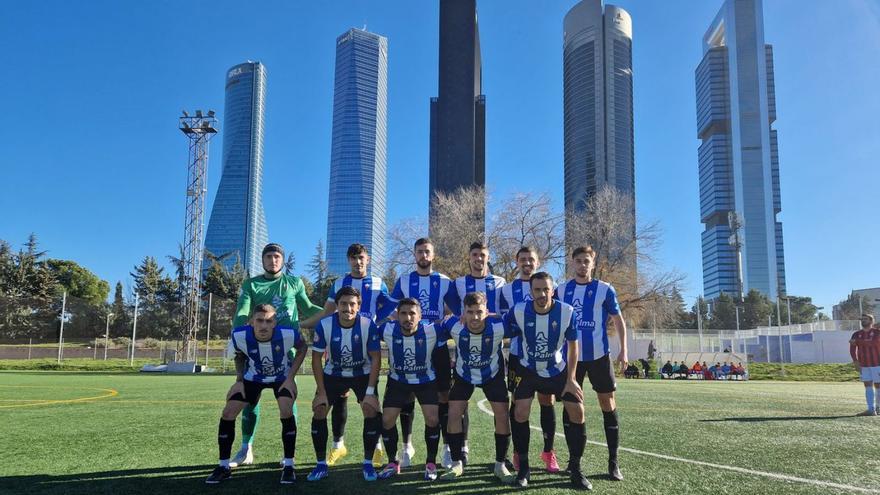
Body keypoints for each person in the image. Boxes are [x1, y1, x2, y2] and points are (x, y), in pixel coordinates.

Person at [228, 243, 324, 468]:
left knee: (287, 400)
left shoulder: (294, 283)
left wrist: (333, 314)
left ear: (282, 260)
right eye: (269, 256)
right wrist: (238, 331)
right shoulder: (251, 284)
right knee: (250, 401)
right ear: (263, 260)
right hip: (256, 351)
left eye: (277, 257)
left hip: (286, 352)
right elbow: (243, 309)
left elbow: (308, 307)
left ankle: (288, 453)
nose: (273, 260)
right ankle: (246, 448)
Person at [299, 243, 393, 468]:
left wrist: (376, 324)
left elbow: (391, 308)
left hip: (366, 349)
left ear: (367, 259)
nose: (357, 262)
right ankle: (337, 445)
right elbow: (326, 314)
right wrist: (300, 325)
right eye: (353, 258)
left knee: (371, 404)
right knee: (339, 398)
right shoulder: (339, 284)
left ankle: (377, 448)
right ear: (348, 260)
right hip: (339, 347)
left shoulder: (380, 283)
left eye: (361, 257)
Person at [506, 272, 591, 490]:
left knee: (577, 410)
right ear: (531, 291)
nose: (542, 294)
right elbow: (498, 326)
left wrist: (571, 379)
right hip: (528, 369)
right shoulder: (519, 310)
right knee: (520, 411)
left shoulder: (566, 311)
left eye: (546, 289)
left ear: (552, 290)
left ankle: (576, 468)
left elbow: (573, 346)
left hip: (557, 370)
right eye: (537, 290)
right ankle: (524, 469)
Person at [205, 304, 307, 485]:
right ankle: (223, 466)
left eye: (269, 321)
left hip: (281, 377)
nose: (264, 325)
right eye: (259, 320)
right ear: (252, 321)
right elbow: (239, 355)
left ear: (275, 323)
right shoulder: (240, 335)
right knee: (228, 412)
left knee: (286, 409)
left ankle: (289, 465)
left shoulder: (287, 334)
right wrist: (239, 381)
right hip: (253, 378)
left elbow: (302, 347)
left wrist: (291, 377)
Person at [556, 246, 627, 482]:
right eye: (578, 261)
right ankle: (573, 461)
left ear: (592, 263)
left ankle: (613, 463)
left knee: (608, 404)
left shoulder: (604, 289)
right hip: (571, 358)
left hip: (599, 357)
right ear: (572, 263)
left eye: (586, 261)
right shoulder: (562, 289)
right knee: (570, 406)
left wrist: (623, 351)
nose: (582, 265)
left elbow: (618, 319)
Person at [387, 237, 457, 468]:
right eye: (420, 252)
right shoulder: (404, 280)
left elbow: (456, 312)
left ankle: (446, 448)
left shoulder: (445, 281)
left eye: (427, 252)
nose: (423, 256)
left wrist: (443, 324)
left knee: (443, 397)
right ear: (414, 255)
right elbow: (391, 311)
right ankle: (406, 447)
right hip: (408, 346)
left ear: (433, 255)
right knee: (407, 396)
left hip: (436, 348)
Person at [438, 292, 516, 484]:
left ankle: (500, 464)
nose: (474, 317)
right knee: (454, 413)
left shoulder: (499, 327)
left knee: (502, 414)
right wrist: (449, 317)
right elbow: (442, 323)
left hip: (492, 375)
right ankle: (457, 462)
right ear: (463, 313)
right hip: (464, 375)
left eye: (479, 312)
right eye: (470, 312)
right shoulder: (453, 326)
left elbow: (518, 325)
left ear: (486, 312)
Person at [306, 287, 383, 482]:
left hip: (362, 373)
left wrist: (371, 391)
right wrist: (321, 392)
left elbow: (376, 358)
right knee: (320, 409)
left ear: (358, 306)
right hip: (334, 374)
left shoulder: (368, 325)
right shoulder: (324, 325)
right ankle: (321, 464)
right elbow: (316, 359)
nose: (347, 308)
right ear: (337, 306)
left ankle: (368, 462)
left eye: (352, 304)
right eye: (343, 304)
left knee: (370, 408)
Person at [441, 241, 506, 467]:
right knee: (456, 408)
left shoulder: (500, 282)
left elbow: (506, 312)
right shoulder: (458, 283)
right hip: (465, 354)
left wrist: (490, 316)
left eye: (483, 255)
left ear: (488, 258)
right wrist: (459, 317)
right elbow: (449, 311)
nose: (479, 258)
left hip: (492, 352)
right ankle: (459, 454)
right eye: (475, 255)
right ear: (469, 257)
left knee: (502, 411)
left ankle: (502, 459)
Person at [500, 246, 559, 473]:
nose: (527, 263)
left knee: (547, 401)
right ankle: (517, 452)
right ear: (516, 261)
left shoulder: (549, 287)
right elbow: (502, 322)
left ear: (538, 261)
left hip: (545, 356)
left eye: (531, 259)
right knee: (519, 404)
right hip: (518, 356)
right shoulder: (506, 290)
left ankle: (548, 452)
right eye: (523, 259)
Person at [375, 298, 445, 481]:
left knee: (432, 418)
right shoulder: (387, 329)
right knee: (387, 420)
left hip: (426, 380)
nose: (408, 317)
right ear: (397, 316)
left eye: (412, 313)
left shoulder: (432, 330)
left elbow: (455, 326)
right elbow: (366, 330)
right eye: (404, 313)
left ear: (420, 316)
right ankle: (393, 462)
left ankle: (430, 463)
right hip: (398, 380)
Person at [850, 314, 880, 416]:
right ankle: (871, 409)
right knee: (867, 385)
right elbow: (852, 349)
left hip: (877, 364)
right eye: (862, 319)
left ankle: (878, 407)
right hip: (864, 364)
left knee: (878, 385)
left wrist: (858, 342)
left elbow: (874, 343)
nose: (863, 321)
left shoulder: (877, 333)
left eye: (865, 319)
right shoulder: (856, 334)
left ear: (871, 321)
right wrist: (855, 361)